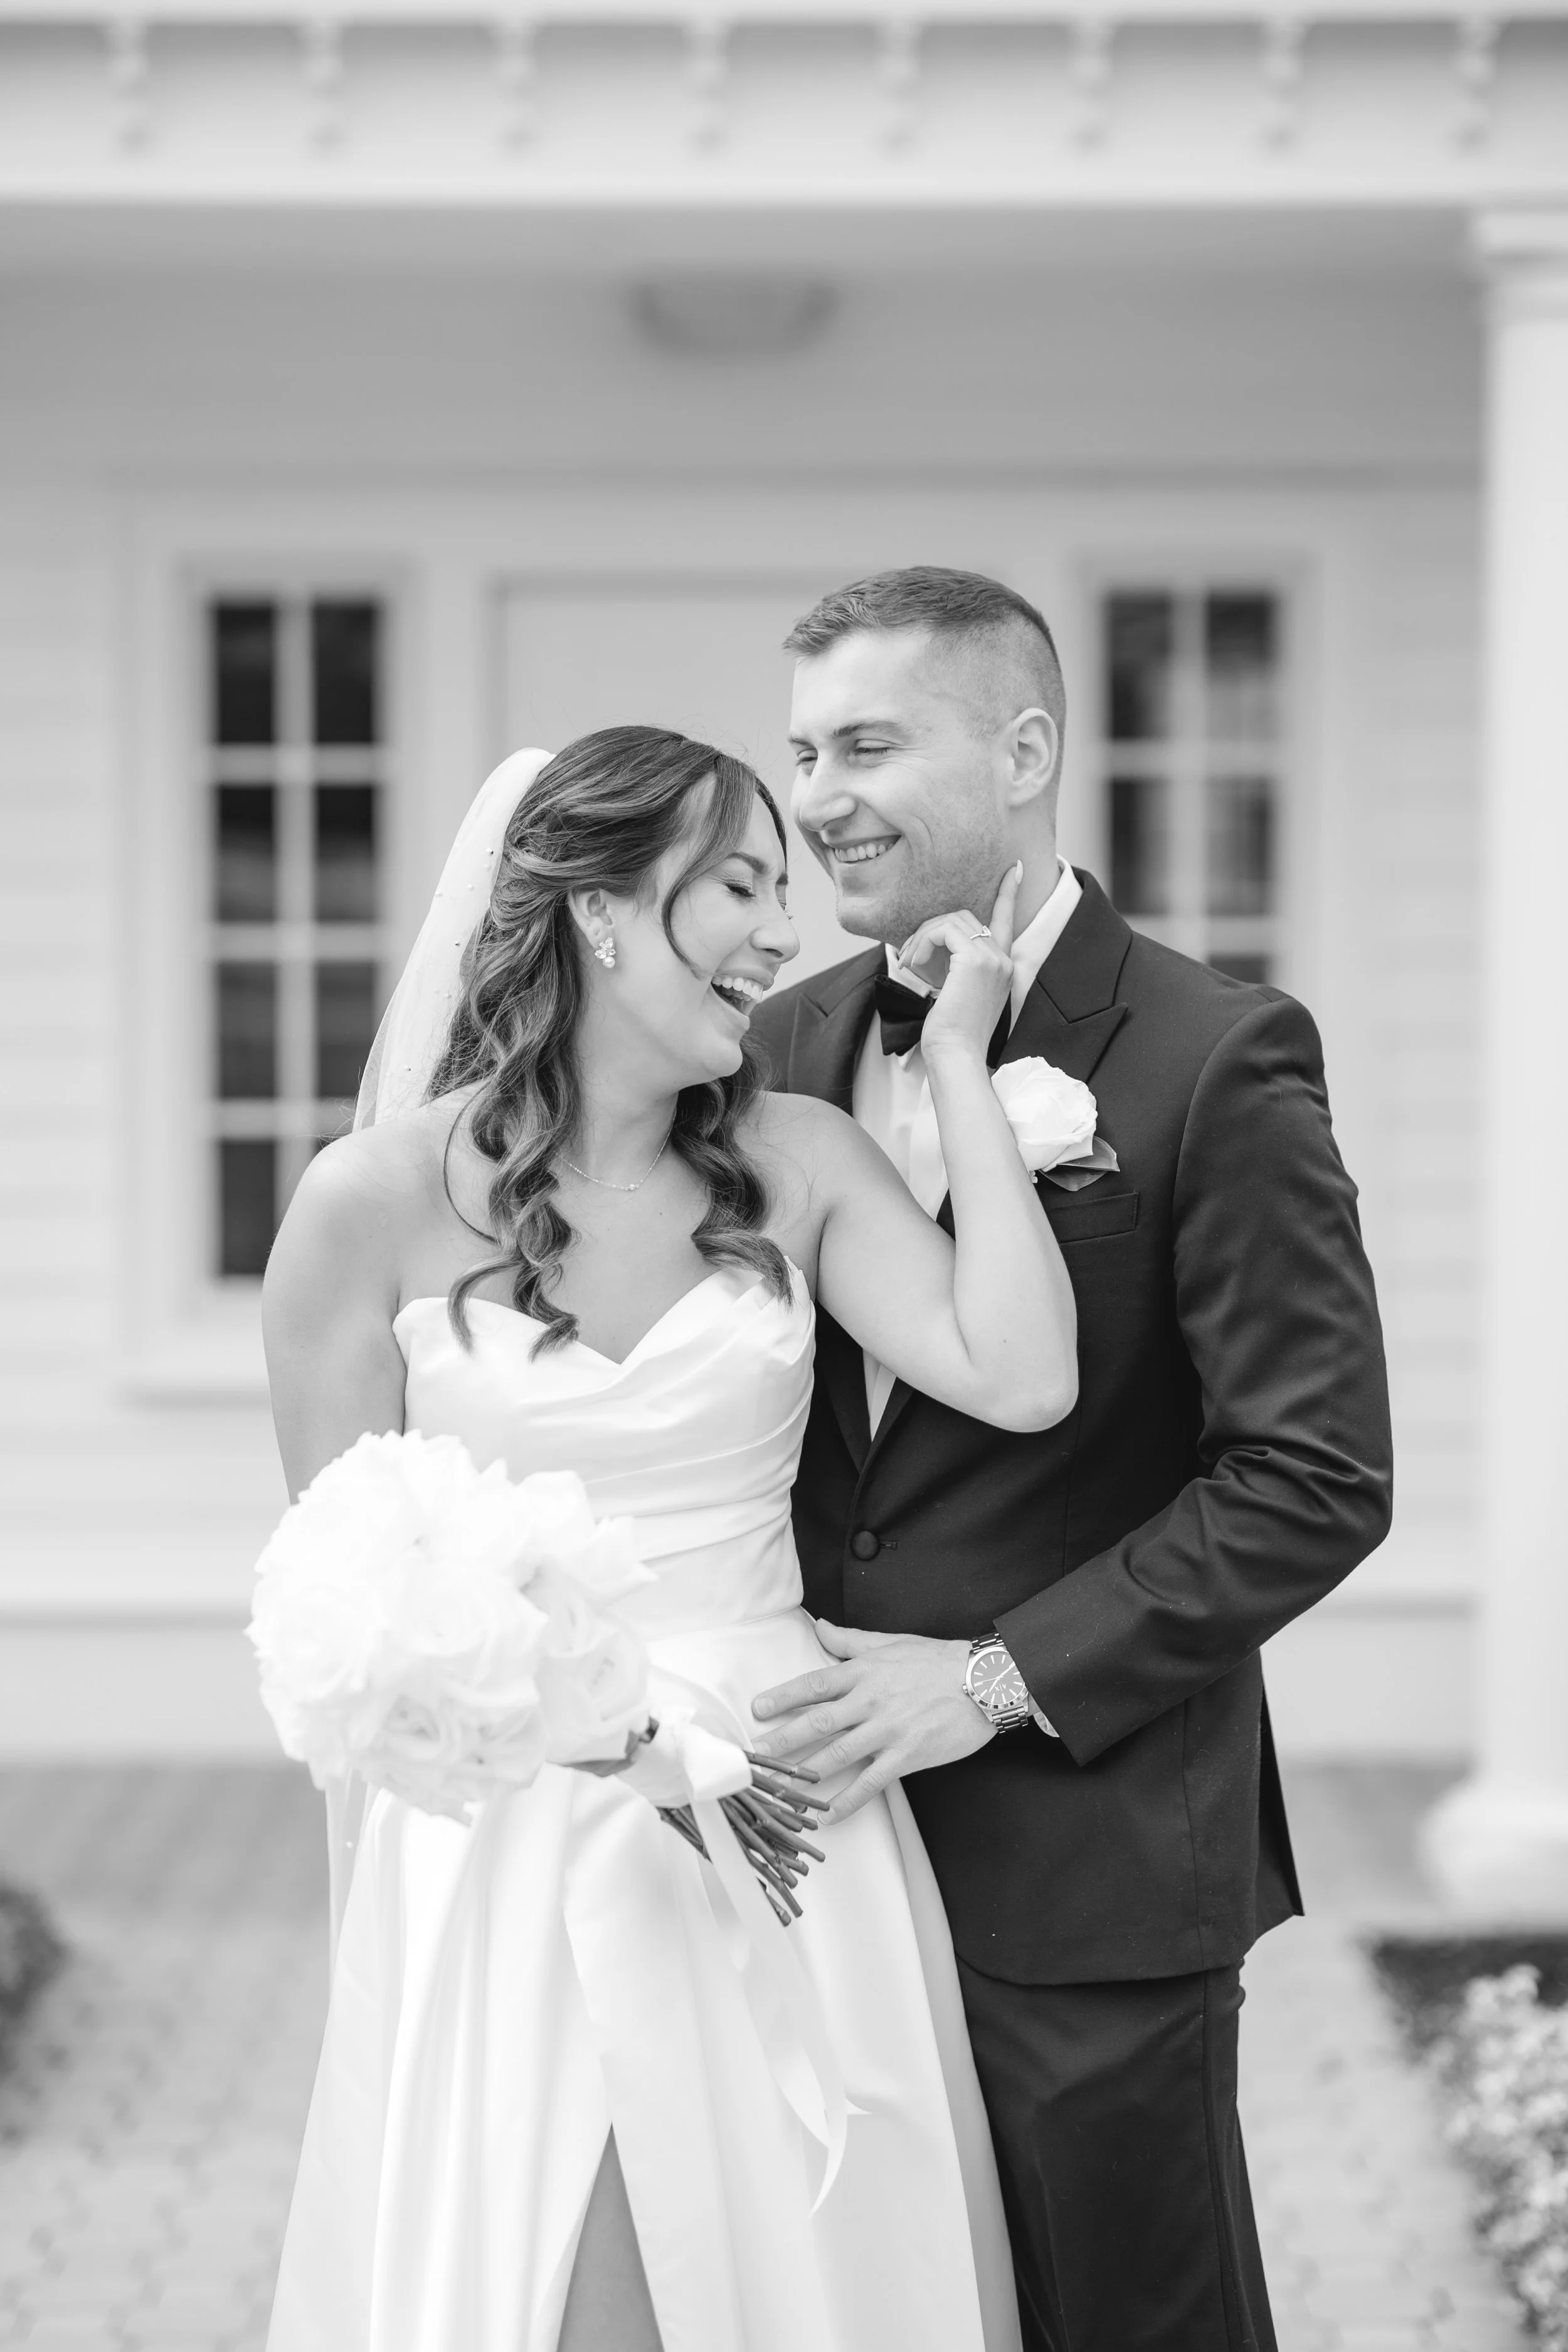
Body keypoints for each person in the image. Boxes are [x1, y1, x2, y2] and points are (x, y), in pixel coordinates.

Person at [261, 723, 1079, 2352]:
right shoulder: (367, 1204)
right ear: (598, 910)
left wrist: (962, 1068)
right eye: (739, 884)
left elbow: (1023, 1369)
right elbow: (348, 1608)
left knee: (802, 2278)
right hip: (508, 1840)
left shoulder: (803, 1164)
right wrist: (585, 1766)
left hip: (784, 1808)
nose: (783, 931)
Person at [749, 566, 1394, 2352]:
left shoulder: (1209, 1057)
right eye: (802, 749)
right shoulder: (773, 1048)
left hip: (1090, 1847)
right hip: (810, 1833)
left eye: (870, 741)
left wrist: (990, 1678)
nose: (816, 797)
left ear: (1024, 747)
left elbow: (1313, 1474)